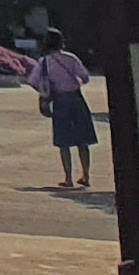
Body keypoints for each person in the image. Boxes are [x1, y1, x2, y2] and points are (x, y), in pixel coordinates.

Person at [34, 35, 97, 190]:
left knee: (64, 141)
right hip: (76, 99)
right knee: (83, 140)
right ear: (61, 42)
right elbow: (85, 77)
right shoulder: (71, 58)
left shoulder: (44, 62)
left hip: (60, 101)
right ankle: (85, 175)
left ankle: (68, 178)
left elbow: (35, 81)